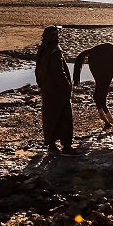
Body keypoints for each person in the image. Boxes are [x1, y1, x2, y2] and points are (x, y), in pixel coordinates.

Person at [35, 26, 75, 154]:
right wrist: (67, 87)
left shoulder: (42, 50)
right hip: (58, 90)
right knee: (65, 116)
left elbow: (38, 71)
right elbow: (59, 72)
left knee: (50, 116)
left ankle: (51, 145)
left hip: (47, 89)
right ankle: (66, 146)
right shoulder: (55, 51)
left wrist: (41, 84)